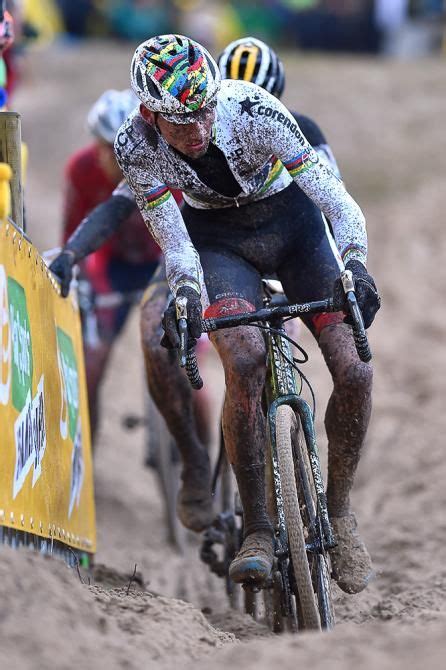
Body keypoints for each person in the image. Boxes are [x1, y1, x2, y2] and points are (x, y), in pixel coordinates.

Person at [50, 34, 380, 594]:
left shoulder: (251, 108)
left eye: (204, 110)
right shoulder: (135, 145)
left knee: (354, 369)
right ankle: (256, 529)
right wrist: (183, 291)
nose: (199, 130)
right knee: (243, 359)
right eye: (182, 122)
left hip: (296, 231)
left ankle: (341, 512)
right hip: (218, 244)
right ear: (150, 114)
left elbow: (333, 197)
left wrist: (354, 262)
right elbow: (176, 244)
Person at [54, 88, 161, 442]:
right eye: (105, 147)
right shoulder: (81, 169)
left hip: (160, 263)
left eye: (120, 150)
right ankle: (86, 455)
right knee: (91, 365)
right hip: (111, 267)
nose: (113, 160)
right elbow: (74, 234)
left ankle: (197, 466)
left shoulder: (160, 162)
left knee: (191, 374)